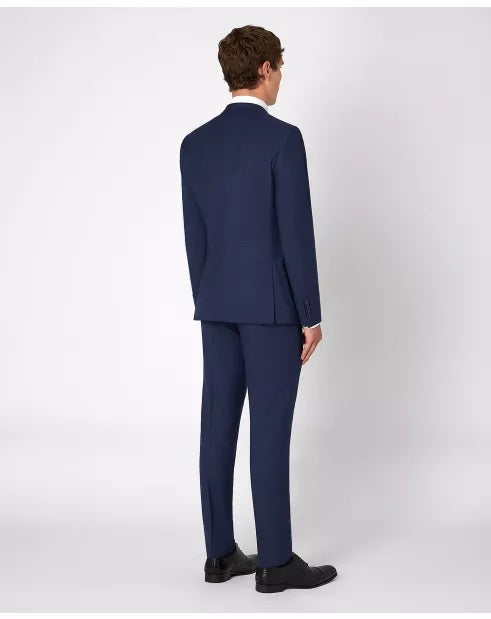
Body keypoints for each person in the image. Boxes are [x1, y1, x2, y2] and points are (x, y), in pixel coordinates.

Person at [179, 24, 337, 594]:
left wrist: (208, 297)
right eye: (280, 68)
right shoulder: (282, 139)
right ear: (266, 68)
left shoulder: (194, 144)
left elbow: (195, 237)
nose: (281, 78)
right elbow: (296, 233)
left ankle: (219, 554)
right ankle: (274, 560)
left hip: (215, 304)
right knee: (269, 429)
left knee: (217, 425)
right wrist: (310, 314)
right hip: (271, 310)